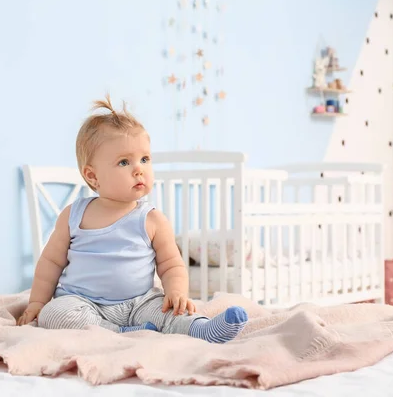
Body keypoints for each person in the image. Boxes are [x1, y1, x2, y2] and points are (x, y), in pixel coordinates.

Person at [17, 95, 247, 343]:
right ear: (93, 176)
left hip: (140, 303)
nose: (139, 169)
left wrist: (176, 292)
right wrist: (38, 303)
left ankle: (204, 330)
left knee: (172, 312)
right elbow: (51, 262)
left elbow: (171, 265)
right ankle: (119, 334)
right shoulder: (73, 215)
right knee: (55, 315)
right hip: (83, 303)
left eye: (145, 159)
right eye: (124, 162)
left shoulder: (152, 219)